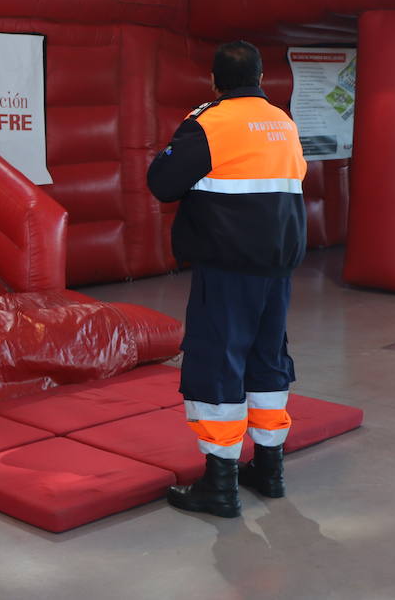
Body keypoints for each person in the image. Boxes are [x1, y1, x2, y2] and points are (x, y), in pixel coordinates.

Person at [146, 41, 307, 518]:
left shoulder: (209, 123)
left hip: (227, 266)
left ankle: (220, 485)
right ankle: (270, 470)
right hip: (277, 268)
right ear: (261, 78)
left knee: (217, 363)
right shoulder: (283, 121)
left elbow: (161, 182)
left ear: (214, 81)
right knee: (267, 360)